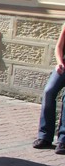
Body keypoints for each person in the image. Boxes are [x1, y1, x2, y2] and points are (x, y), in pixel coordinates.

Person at [33, 23, 65, 154]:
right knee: (49, 91)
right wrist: (59, 63)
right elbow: (59, 47)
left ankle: (63, 140)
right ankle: (45, 136)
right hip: (64, 65)